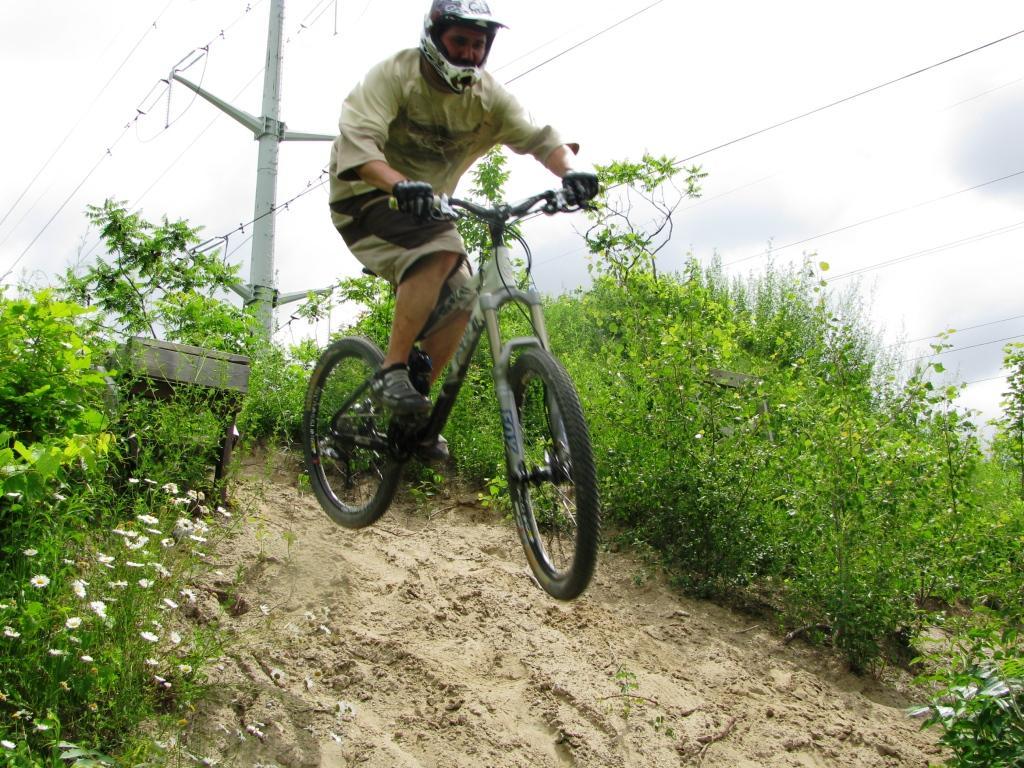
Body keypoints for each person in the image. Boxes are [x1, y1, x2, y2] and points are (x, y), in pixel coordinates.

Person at [328, 0, 599, 459]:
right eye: (461, 42)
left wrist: (572, 172)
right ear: (435, 38)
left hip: (428, 209)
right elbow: (360, 144)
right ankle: (394, 369)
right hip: (366, 197)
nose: (471, 54)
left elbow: (540, 138)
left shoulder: (487, 96)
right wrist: (400, 184)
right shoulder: (395, 76)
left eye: (479, 44)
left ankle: (407, 412)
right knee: (442, 248)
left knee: (466, 297)